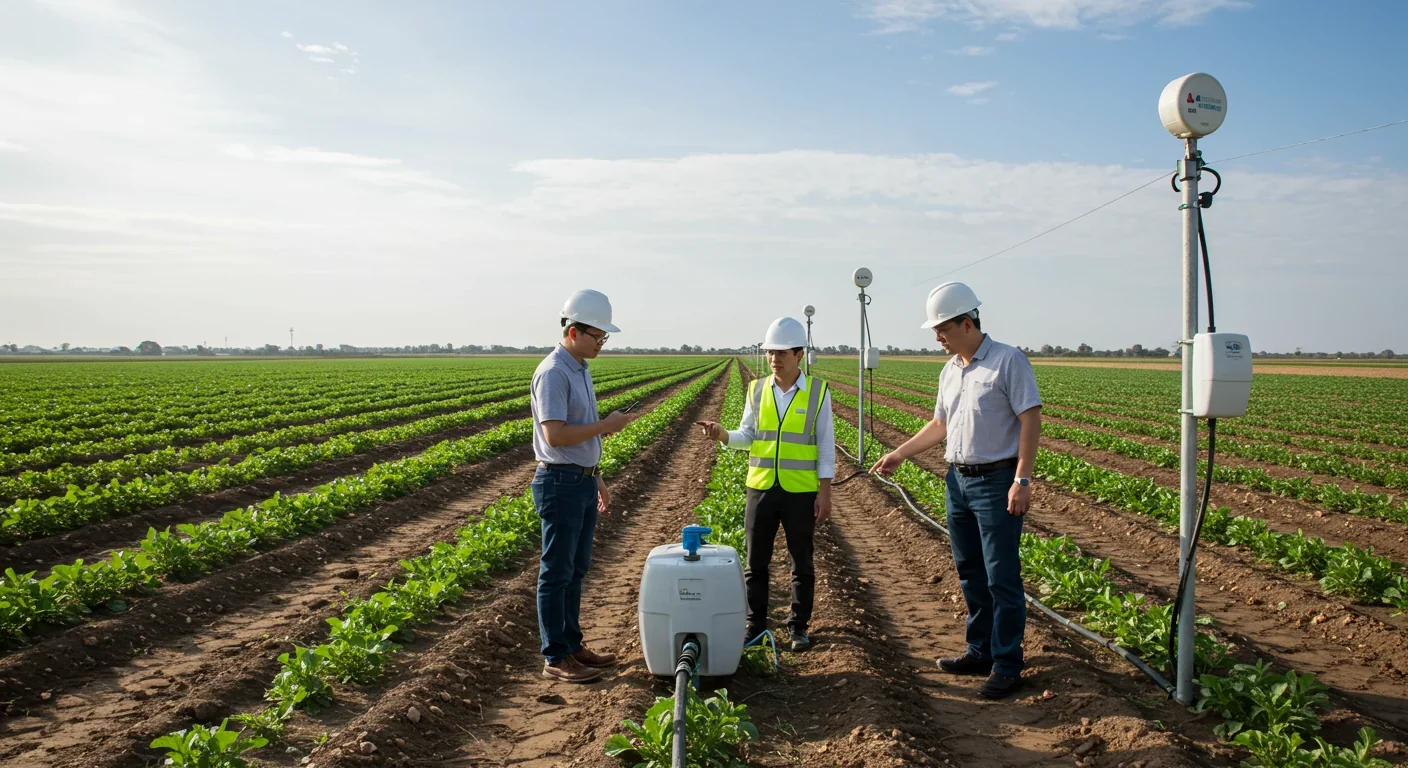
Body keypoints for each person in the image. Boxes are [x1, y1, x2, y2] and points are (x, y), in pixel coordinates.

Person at [870, 282, 1042, 700]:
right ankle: (979, 649)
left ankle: (1006, 663)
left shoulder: (1008, 361)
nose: (937, 337)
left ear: (968, 323)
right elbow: (940, 425)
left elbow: (1030, 420)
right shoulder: (949, 370)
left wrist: (1022, 479)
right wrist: (900, 453)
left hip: (998, 482)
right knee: (970, 571)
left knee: (1001, 575)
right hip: (958, 481)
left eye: (943, 329)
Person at [696, 317, 834, 653]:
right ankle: (755, 624)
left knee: (801, 561)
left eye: (781, 353)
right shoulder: (757, 389)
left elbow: (825, 445)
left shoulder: (818, 393)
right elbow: (748, 435)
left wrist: (825, 492)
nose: (774, 359)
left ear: (799, 354)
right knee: (756, 562)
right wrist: (723, 434)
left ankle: (798, 627)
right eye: (771, 352)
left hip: (800, 490)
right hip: (760, 487)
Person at [531, 289, 637, 684]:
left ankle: (573, 645)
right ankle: (555, 657)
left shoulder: (579, 369)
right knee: (555, 572)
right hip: (558, 482)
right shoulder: (554, 372)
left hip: (581, 479)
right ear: (574, 331)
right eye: (598, 336)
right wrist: (607, 427)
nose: (602, 343)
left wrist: (598, 478)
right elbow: (556, 435)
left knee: (576, 569)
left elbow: (580, 439)